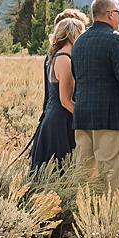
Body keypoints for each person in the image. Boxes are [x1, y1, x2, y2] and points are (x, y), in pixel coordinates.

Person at [69, 0, 119, 193]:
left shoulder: (79, 42)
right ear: (110, 14)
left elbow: (77, 78)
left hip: (83, 115)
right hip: (111, 119)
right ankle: (107, 218)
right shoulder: (117, 41)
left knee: (84, 174)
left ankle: (83, 215)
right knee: (110, 175)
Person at [27, 15, 86, 170]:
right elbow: (65, 100)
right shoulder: (64, 59)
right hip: (61, 121)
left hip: (55, 117)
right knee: (58, 167)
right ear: (73, 35)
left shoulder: (56, 56)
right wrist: (85, 118)